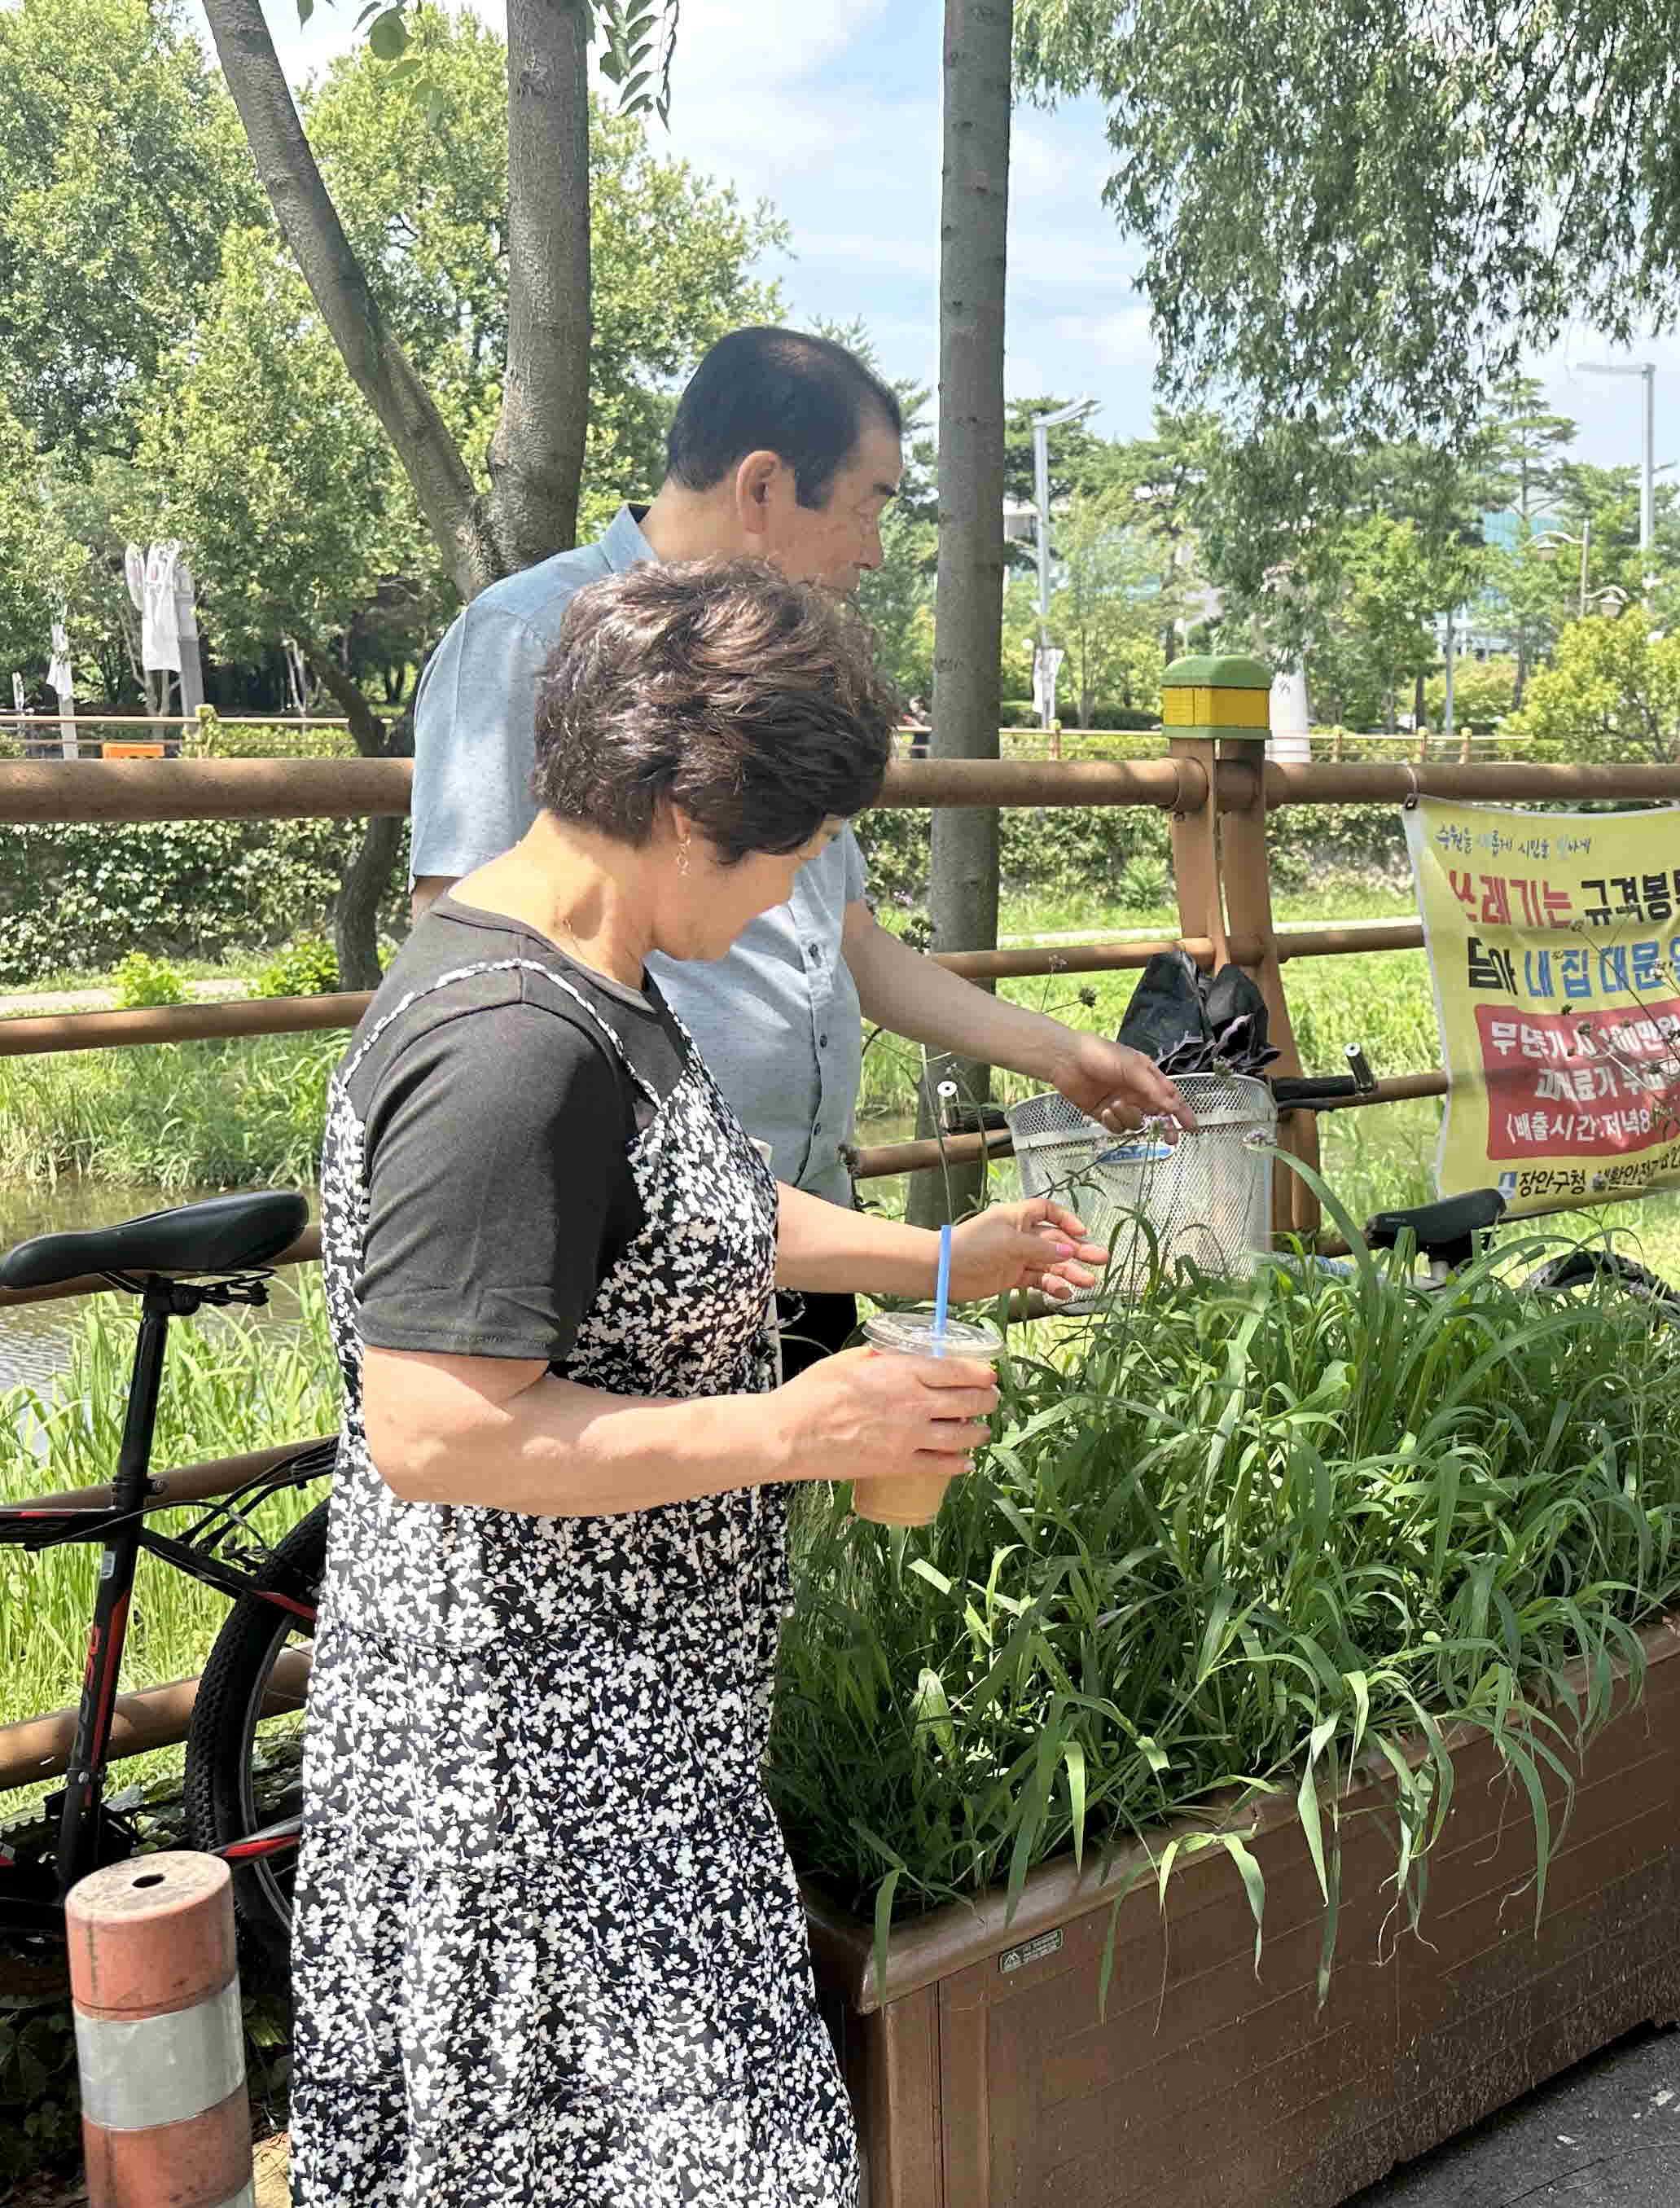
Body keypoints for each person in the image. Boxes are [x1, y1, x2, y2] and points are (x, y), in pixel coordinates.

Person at [288, 562, 1107, 2203]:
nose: (805, 890)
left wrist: (940, 1258)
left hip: (636, 1736)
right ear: (683, 809)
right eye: (797, 846)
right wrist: (796, 1426)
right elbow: (439, 1423)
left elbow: (691, 1204)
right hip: (532, 1781)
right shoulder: (509, 1043)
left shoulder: (605, 975)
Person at [408, 326, 1182, 1376]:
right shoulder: (527, 639)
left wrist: (1058, 1053)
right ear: (765, 485)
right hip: (636, 1230)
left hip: (798, 1215)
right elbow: (468, 953)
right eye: (867, 504)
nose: (871, 550)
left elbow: (842, 938)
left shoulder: (778, 669)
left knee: (764, 1515)